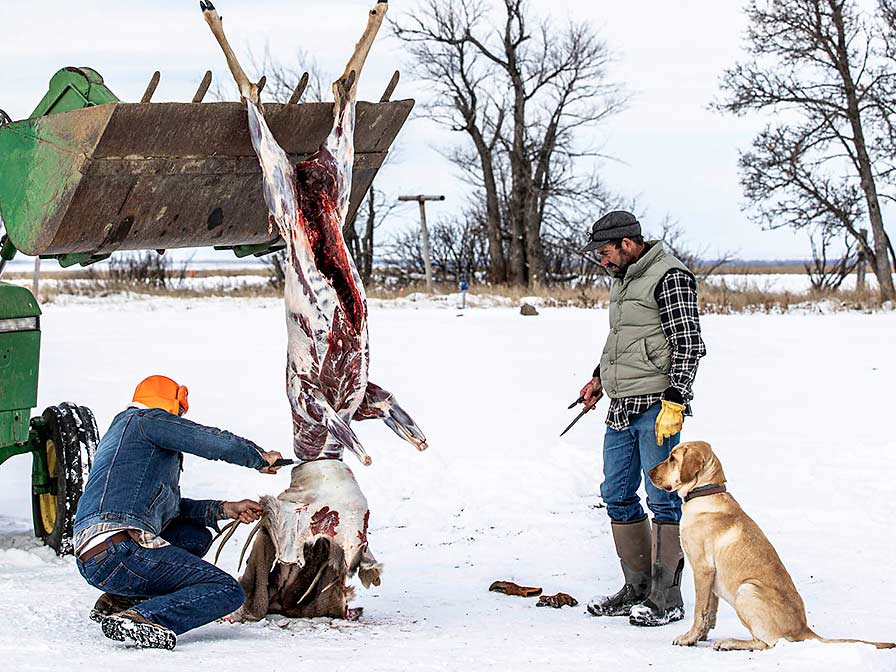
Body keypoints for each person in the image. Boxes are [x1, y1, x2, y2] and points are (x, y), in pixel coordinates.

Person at [73, 375, 284, 649]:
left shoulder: (123, 439)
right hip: (119, 548)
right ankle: (142, 616)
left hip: (97, 558)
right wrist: (257, 456)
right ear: (176, 403)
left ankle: (119, 599)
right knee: (227, 591)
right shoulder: (145, 420)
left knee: (195, 537)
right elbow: (209, 440)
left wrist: (225, 509)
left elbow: (169, 510)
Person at [577, 211, 706, 627]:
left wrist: (676, 398)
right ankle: (637, 587)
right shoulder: (624, 279)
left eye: (606, 252)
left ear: (628, 244)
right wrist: (599, 377)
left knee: (665, 498)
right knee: (616, 493)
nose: (603, 261)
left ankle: (667, 597)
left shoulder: (670, 276)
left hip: (657, 406)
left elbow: (689, 343)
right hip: (621, 404)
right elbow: (623, 337)